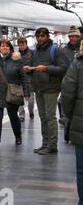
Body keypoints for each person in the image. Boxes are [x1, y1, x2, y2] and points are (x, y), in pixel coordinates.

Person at [23, 27, 68, 155]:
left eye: (42, 36)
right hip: (39, 88)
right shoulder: (35, 51)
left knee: (50, 117)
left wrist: (46, 68)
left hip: (51, 88)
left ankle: (52, 145)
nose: (40, 38)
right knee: (43, 117)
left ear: (48, 36)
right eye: (38, 36)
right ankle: (45, 144)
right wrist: (29, 69)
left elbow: (63, 68)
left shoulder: (56, 50)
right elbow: (35, 68)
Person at [0, 39, 30, 149]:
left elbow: (23, 77)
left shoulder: (17, 60)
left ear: (10, 48)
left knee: (13, 116)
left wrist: (26, 92)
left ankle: (18, 136)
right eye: (2, 46)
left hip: (12, 93)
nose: (4, 48)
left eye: (6, 46)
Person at [60, 39, 83, 205]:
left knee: (82, 170)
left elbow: (67, 94)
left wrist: (70, 116)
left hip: (81, 127)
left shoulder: (78, 63)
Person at [59, 27, 82, 142]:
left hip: (80, 84)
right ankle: (68, 136)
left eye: (75, 36)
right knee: (68, 112)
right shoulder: (64, 50)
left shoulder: (81, 49)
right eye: (71, 36)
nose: (72, 38)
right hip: (68, 82)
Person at [17, 37, 35, 121]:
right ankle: (21, 115)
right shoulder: (16, 55)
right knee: (20, 99)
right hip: (19, 79)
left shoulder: (32, 53)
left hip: (30, 79)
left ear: (26, 44)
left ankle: (31, 111)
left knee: (30, 100)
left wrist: (30, 68)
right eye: (20, 45)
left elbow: (36, 65)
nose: (21, 46)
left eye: (23, 44)